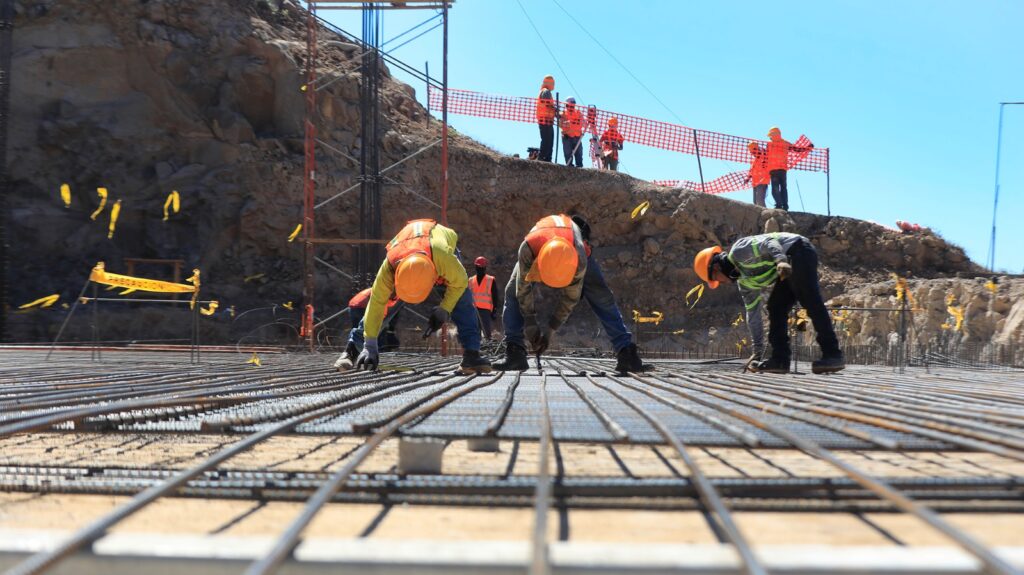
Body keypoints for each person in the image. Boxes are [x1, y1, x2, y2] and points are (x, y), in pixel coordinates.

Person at [493, 214, 644, 373]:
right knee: (513, 292)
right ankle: (515, 351)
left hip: (573, 248)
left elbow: (570, 298)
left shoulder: (580, 259)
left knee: (601, 297)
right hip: (539, 246)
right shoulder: (527, 250)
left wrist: (550, 331)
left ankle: (626, 352)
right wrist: (530, 322)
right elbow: (522, 290)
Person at [347, 219, 492, 374]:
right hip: (408, 251)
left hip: (436, 250)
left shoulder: (444, 259)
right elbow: (376, 303)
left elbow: (460, 283)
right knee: (387, 304)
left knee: (462, 299)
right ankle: (352, 350)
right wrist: (370, 345)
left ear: (434, 278)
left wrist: (445, 308)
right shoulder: (389, 266)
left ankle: (471, 355)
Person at [693, 232, 845, 374]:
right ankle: (780, 360)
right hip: (786, 263)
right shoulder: (745, 284)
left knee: (809, 299)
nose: (720, 283)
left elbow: (769, 242)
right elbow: (753, 316)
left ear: (716, 267)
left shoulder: (739, 251)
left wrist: (780, 260)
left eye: (715, 278)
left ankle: (833, 354)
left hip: (798, 250)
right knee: (776, 307)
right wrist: (757, 352)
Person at [333, 288, 398, 370]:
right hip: (363, 305)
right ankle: (353, 353)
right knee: (373, 326)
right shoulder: (388, 288)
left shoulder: (375, 289)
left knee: (361, 328)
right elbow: (377, 308)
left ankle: (354, 353)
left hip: (354, 305)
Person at [765, 127, 813, 211]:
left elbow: (764, 154)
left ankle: (779, 205)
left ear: (773, 135)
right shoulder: (785, 143)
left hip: (774, 170)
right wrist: (807, 148)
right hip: (782, 170)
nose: (770, 137)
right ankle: (785, 205)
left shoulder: (769, 144)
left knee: (775, 189)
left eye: (771, 135)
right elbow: (797, 149)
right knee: (783, 188)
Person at [469, 256, 502, 341]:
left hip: (485, 310)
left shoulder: (490, 280)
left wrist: (494, 310)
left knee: (486, 333)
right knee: (475, 332)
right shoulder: (471, 280)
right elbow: (467, 296)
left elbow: (495, 296)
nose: (480, 269)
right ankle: (476, 347)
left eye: (481, 267)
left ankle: (487, 347)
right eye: (479, 267)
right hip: (473, 310)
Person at [536, 75, 556, 162]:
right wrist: (555, 109)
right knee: (547, 140)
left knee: (549, 140)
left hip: (547, 120)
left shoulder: (545, 91)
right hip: (545, 119)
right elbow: (548, 104)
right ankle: (543, 157)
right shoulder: (546, 91)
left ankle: (547, 158)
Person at [560, 97, 584, 168]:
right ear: (567, 105)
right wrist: (566, 123)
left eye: (573, 105)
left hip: (577, 136)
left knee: (579, 153)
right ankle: (569, 166)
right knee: (567, 153)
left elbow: (582, 122)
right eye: (570, 105)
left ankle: (579, 166)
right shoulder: (563, 113)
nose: (572, 106)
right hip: (567, 136)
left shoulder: (578, 113)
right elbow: (560, 124)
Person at [747, 142, 769, 207]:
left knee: (759, 200)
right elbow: (751, 170)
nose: (752, 154)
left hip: (762, 181)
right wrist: (748, 178)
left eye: (753, 152)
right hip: (755, 182)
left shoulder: (764, 156)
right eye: (751, 152)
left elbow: (766, 154)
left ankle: (765, 212)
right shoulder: (754, 160)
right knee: (755, 201)